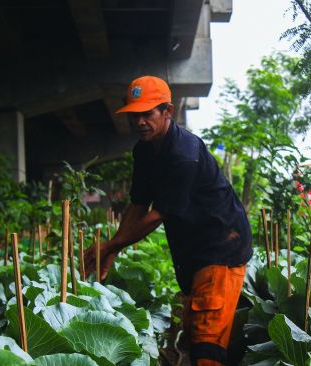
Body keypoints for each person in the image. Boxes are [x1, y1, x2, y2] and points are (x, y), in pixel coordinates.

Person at [83, 76, 252, 366]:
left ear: (168, 111)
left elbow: (157, 215)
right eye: (135, 115)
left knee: (207, 340)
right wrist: (112, 250)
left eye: (147, 114)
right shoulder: (144, 150)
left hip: (222, 246)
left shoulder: (184, 154)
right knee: (191, 330)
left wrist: (109, 245)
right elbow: (138, 205)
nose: (140, 122)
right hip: (193, 250)